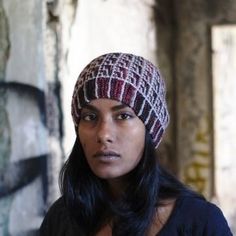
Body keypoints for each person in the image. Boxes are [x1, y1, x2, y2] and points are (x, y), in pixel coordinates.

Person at [39, 52, 232, 236]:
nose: (104, 134)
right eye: (90, 117)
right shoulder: (61, 219)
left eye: (123, 116)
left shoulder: (200, 222)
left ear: (151, 129)